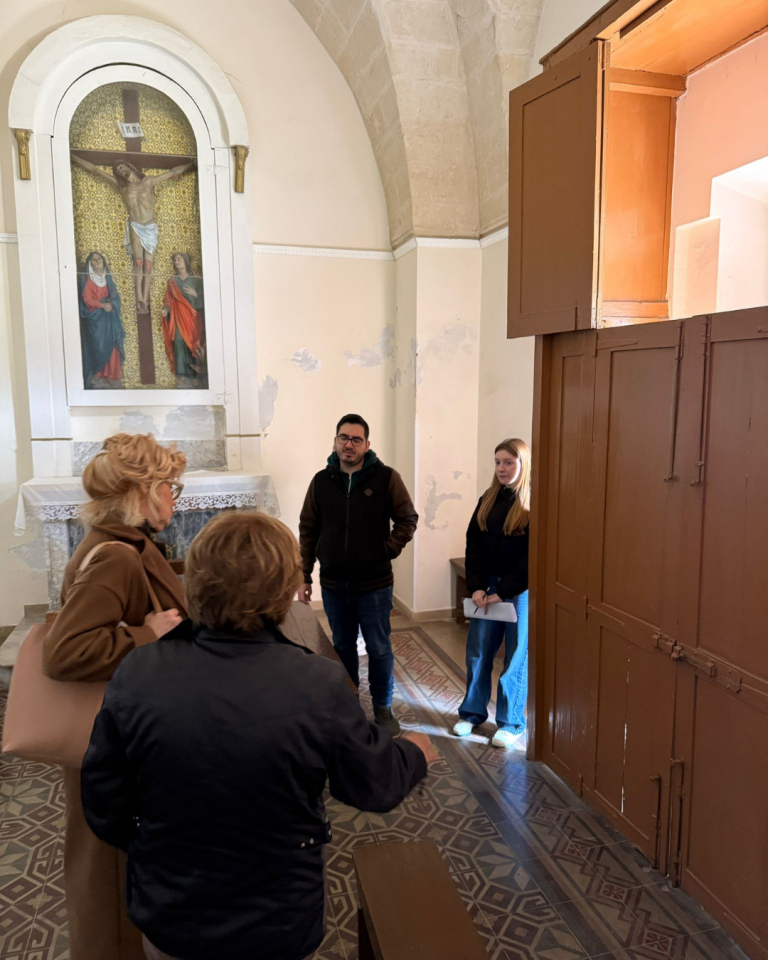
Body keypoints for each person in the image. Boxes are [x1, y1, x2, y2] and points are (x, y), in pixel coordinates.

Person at [80, 511, 431, 960]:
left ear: (197, 581)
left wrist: (156, 845)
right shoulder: (317, 683)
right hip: (277, 917)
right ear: (284, 591)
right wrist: (414, 755)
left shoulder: (138, 670)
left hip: (173, 911)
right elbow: (372, 783)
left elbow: (104, 798)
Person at [44, 433, 188, 960]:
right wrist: (149, 635)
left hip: (119, 734)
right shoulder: (116, 558)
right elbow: (65, 652)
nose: (175, 497)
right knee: (105, 868)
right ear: (141, 491)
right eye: (169, 486)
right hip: (109, 742)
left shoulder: (127, 544)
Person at [298, 414, 418, 737]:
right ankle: (348, 705)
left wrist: (386, 550)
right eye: (343, 438)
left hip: (374, 584)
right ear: (335, 441)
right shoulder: (321, 481)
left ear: (367, 444)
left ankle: (382, 706)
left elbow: (407, 519)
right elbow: (308, 529)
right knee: (341, 646)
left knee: (379, 647)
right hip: (334, 584)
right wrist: (304, 575)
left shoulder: (386, 478)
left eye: (355, 439)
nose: (348, 444)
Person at [452, 438, 531, 748]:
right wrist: (477, 586)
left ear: (522, 465)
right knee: (479, 652)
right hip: (487, 588)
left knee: (515, 658)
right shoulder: (488, 498)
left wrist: (506, 590)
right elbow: (474, 545)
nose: (501, 468)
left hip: (518, 592)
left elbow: (532, 557)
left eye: (508, 462)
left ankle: (511, 722)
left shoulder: (531, 504)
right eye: (497, 462)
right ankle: (470, 714)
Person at [70, 155, 196, 311]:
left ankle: (146, 294)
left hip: (149, 226)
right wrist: (73, 158)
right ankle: (140, 299)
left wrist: (191, 165)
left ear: (130, 167)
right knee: (138, 262)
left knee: (148, 264)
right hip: (135, 225)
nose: (121, 172)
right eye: (118, 171)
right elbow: (94, 170)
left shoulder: (148, 181)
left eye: (122, 168)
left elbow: (172, 172)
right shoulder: (122, 187)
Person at [79, 250, 125, 388]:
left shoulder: (108, 279)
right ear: (90, 264)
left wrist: (111, 304)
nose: (97, 261)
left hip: (110, 320)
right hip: (96, 320)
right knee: (98, 346)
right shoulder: (89, 280)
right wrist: (101, 305)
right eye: (94, 260)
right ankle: (99, 375)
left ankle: (113, 376)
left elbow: (115, 297)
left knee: (112, 347)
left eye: (99, 258)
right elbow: (87, 299)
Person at [161, 252, 206, 385]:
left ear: (185, 260)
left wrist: (196, 294)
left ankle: (195, 375)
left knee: (194, 342)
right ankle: (181, 374)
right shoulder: (172, 281)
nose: (177, 261)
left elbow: (207, 300)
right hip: (179, 319)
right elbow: (168, 300)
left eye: (179, 259)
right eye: (175, 260)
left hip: (193, 318)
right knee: (179, 342)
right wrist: (166, 309)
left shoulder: (196, 280)